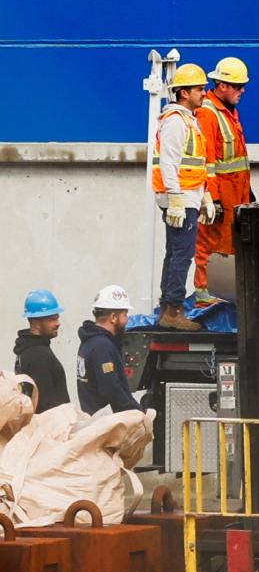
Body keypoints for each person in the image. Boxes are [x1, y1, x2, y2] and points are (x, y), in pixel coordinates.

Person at [192, 57, 252, 308]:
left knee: (230, 246)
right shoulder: (208, 113)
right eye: (237, 86)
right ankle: (204, 295)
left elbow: (235, 161)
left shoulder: (227, 112)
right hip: (221, 196)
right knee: (209, 244)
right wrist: (212, 199)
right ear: (222, 85)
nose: (242, 91)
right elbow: (207, 162)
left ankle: (225, 292)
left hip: (236, 195)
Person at [153, 63, 208, 332]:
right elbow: (169, 162)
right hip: (180, 200)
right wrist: (175, 197)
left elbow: (194, 164)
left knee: (175, 253)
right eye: (199, 89)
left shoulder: (186, 120)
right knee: (181, 255)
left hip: (187, 197)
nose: (204, 94)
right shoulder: (176, 121)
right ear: (184, 93)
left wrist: (204, 196)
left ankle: (168, 307)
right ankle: (173, 310)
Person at [77, 285, 141, 415]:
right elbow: (112, 389)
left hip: (97, 422)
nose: (127, 320)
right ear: (113, 317)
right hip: (107, 425)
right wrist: (138, 413)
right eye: (125, 314)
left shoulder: (90, 341)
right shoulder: (102, 347)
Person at [13, 289, 69, 413]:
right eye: (52, 319)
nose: (58, 323)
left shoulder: (26, 349)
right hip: (53, 427)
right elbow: (45, 406)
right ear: (35, 322)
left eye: (57, 318)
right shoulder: (38, 356)